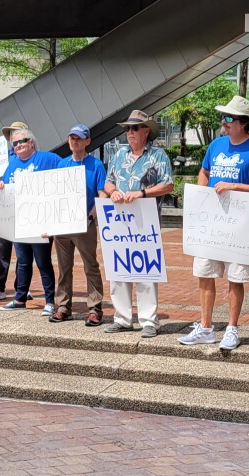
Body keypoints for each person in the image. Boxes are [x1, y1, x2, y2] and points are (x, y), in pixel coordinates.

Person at [178, 95, 249, 350]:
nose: (224, 121)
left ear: (243, 123)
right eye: (224, 117)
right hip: (212, 222)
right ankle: (206, 327)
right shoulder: (216, 145)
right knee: (205, 274)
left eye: (229, 118)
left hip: (240, 224)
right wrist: (201, 195)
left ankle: (232, 328)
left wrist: (234, 186)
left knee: (236, 277)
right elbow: (205, 171)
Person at [102, 110, 173, 338]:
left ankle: (149, 320)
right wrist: (112, 193)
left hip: (146, 221)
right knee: (119, 268)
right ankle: (122, 318)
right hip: (120, 219)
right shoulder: (119, 155)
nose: (129, 133)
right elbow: (108, 181)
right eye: (127, 129)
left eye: (134, 128)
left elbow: (168, 185)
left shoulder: (158, 155)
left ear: (146, 131)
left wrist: (141, 193)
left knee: (146, 270)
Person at [0, 128, 60, 316]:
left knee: (43, 262)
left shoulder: (49, 159)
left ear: (32, 142)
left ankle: (49, 301)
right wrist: (0, 185)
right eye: (15, 143)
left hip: (41, 221)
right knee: (23, 262)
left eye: (22, 141)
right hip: (19, 221)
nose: (19, 145)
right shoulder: (11, 164)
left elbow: (65, 178)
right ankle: (19, 298)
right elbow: (6, 189)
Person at [49, 124, 106, 327]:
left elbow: (101, 194)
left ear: (87, 141)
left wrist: (91, 217)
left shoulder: (96, 165)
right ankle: (63, 306)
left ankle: (95, 308)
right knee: (64, 268)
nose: (75, 142)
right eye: (72, 138)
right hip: (62, 224)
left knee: (90, 266)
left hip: (84, 224)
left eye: (79, 138)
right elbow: (53, 196)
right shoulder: (62, 165)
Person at [0, 121, 31, 302]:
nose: (15, 137)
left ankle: (22, 287)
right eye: (12, 134)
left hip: (24, 209)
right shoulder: (0, 157)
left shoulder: (29, 156)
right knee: (1, 250)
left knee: (23, 253)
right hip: (5, 209)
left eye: (18, 133)